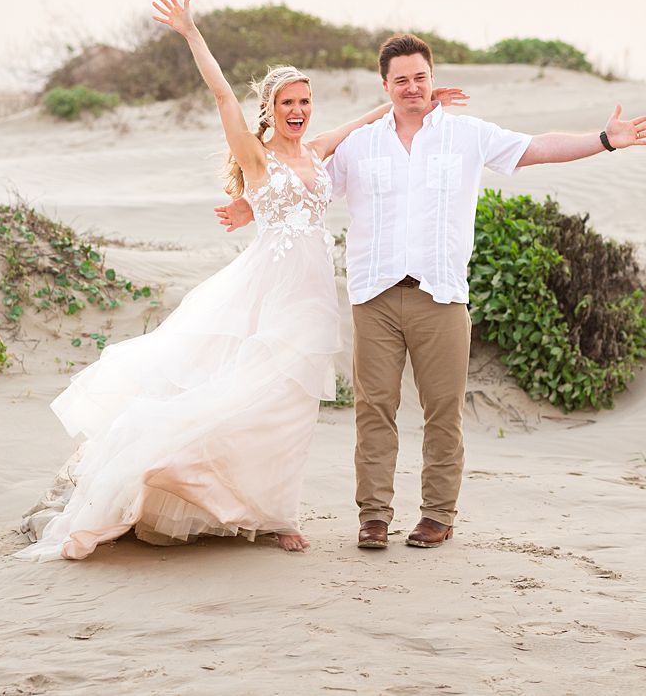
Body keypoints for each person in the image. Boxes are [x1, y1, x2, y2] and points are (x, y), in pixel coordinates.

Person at [15, 0, 464, 561]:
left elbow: (360, 121)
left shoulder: (318, 152)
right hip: (271, 288)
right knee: (246, 393)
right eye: (287, 103)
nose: (298, 111)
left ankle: (278, 515)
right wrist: (191, 33)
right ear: (270, 110)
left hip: (316, 295)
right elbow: (222, 92)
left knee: (293, 408)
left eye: (305, 101)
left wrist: (414, 106)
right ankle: (182, 480)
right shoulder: (256, 155)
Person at [214, 30, 646, 549]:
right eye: (401, 80)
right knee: (374, 411)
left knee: (444, 411)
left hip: (440, 295)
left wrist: (602, 140)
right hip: (374, 295)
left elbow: (535, 148)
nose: (412, 87)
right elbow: (305, 184)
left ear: (432, 80)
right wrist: (250, 205)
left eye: (420, 77)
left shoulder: (466, 135)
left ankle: (437, 515)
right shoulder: (359, 144)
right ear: (386, 85)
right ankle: (373, 517)